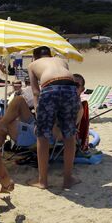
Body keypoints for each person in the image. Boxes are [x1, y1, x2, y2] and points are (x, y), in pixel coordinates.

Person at [28, 46, 80, 189]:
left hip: (50, 88)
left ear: (35, 57)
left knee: (42, 136)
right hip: (70, 88)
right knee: (69, 135)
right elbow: (66, 80)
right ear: (50, 55)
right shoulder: (61, 60)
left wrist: (38, 111)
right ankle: (68, 179)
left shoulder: (32, 65)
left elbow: (35, 91)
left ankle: (43, 181)